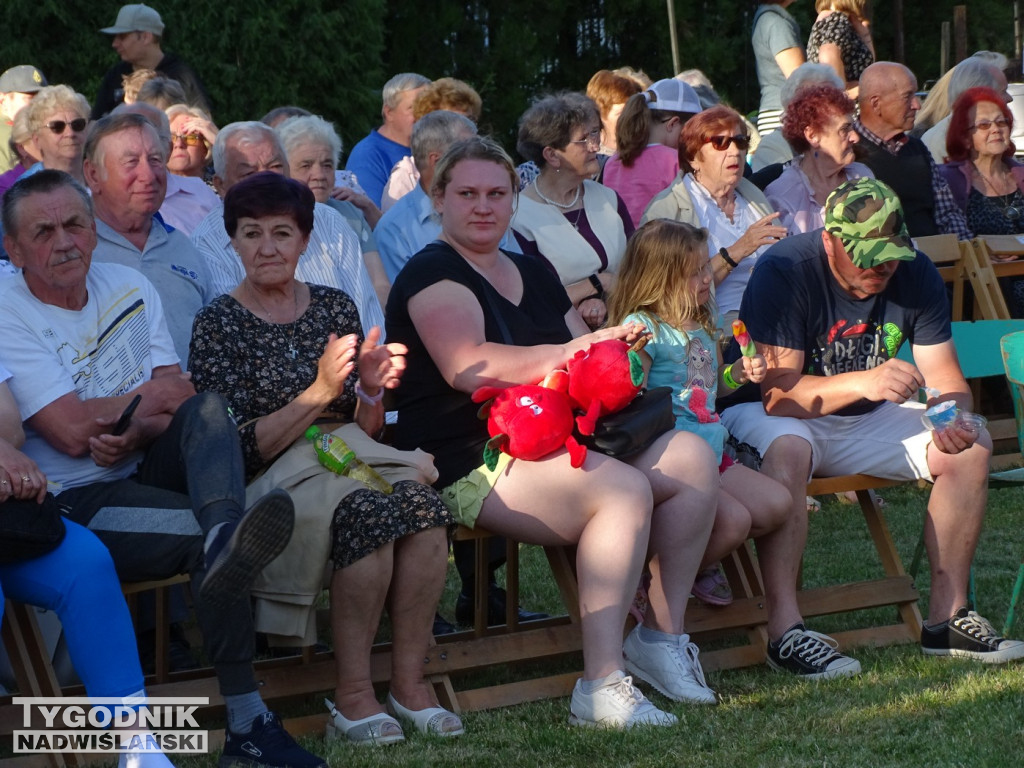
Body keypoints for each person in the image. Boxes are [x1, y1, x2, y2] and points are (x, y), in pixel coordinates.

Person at [387, 136, 720, 727]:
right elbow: (466, 366)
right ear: (439, 199)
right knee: (621, 490)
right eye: (467, 194)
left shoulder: (532, 268)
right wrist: (574, 348)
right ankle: (600, 683)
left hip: (558, 436)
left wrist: (621, 355)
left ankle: (661, 639)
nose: (484, 206)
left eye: (497, 193)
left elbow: (583, 361)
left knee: (692, 456)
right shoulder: (431, 272)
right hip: (468, 455)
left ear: (515, 200)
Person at [0, 169, 325, 768]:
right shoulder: (7, 308)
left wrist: (133, 427)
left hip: (141, 466)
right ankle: (250, 725)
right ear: (14, 249)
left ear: (94, 229)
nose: (64, 240)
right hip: (75, 500)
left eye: (74, 223)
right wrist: (142, 408)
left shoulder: (127, 283)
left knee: (208, 409)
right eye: (42, 232)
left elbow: (181, 394)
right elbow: (70, 433)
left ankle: (226, 529)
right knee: (217, 547)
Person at [189, 172, 461, 744]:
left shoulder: (334, 305)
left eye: (282, 233)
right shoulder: (218, 322)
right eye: (251, 233)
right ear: (232, 242)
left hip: (350, 452)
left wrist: (367, 388)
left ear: (305, 240)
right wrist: (316, 393)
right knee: (368, 511)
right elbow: (236, 450)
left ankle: (409, 684)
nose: (267, 247)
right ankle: (353, 694)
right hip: (277, 472)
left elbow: (367, 427)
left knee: (424, 507)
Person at [719, 176, 1024, 677]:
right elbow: (778, 395)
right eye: (868, 254)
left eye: (890, 253)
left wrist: (950, 417)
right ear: (830, 240)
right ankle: (786, 632)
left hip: (863, 414)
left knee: (971, 448)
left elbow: (946, 377)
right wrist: (865, 381)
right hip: (770, 413)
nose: (882, 266)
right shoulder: (785, 269)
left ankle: (947, 619)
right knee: (791, 449)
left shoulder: (914, 270)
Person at [607, 219, 790, 607]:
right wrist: (630, 357)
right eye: (693, 273)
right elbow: (624, 390)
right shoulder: (644, 326)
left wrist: (737, 374)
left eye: (705, 266)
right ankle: (648, 580)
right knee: (736, 522)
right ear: (660, 278)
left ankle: (687, 564)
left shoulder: (703, 324)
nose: (706, 277)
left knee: (777, 505)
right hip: (669, 457)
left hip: (712, 447)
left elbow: (708, 388)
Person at [190, 121, 386, 336]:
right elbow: (236, 333)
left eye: (275, 167)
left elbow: (366, 316)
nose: (266, 179)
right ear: (220, 185)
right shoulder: (207, 243)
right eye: (248, 173)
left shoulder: (328, 220)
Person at [83, 111, 212, 365]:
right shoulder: (75, 252)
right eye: (131, 162)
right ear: (93, 175)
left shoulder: (183, 247)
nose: (149, 175)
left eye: (155, 160)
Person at [642, 105, 786, 326]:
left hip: (776, 311)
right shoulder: (667, 210)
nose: (734, 151)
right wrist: (737, 251)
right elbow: (666, 295)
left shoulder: (751, 194)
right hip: (715, 327)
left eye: (740, 141)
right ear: (693, 157)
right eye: (720, 142)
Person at [512, 93, 633, 330]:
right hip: (564, 342)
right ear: (552, 155)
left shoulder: (607, 198)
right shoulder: (518, 217)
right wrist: (596, 283)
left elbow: (639, 268)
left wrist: (604, 300)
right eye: (583, 139)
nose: (596, 146)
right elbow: (533, 300)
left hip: (630, 327)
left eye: (595, 133)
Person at [276, 114, 389, 309]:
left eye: (327, 165)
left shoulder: (349, 213)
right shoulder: (272, 219)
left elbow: (380, 284)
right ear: (283, 169)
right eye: (306, 165)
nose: (319, 175)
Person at [853, 62, 972, 239]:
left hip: (935, 260)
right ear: (876, 103)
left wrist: (970, 251)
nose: (917, 105)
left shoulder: (917, 149)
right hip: (881, 262)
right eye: (907, 96)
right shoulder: (848, 152)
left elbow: (947, 214)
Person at [938, 87, 1024, 314]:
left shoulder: (1021, 174)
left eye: (1001, 122)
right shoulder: (949, 180)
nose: (996, 129)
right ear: (965, 138)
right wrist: (984, 255)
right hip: (979, 288)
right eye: (984, 125)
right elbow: (948, 235)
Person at [376, 110, 479, 282]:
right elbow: (400, 303)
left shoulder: (488, 210)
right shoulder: (394, 230)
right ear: (437, 161)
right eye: (469, 152)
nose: (479, 160)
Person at [765, 84, 873, 235]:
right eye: (844, 129)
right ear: (812, 136)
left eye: (852, 128)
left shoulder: (861, 176)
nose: (855, 137)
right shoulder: (783, 196)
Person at [603, 79, 702, 227]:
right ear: (673, 124)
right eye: (691, 132)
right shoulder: (676, 159)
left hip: (625, 246)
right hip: (665, 245)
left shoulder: (613, 162)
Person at [380, 77, 483, 213]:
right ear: (429, 122)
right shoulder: (406, 178)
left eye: (470, 120)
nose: (467, 129)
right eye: (455, 121)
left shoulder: (482, 171)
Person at [92, 4, 212, 119]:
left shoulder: (180, 75)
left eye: (122, 36)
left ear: (146, 37)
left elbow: (203, 121)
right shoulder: (115, 75)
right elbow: (95, 124)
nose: (115, 44)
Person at [344, 73, 430, 207]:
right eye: (414, 108)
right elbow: (371, 219)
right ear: (389, 112)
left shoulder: (432, 149)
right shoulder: (368, 156)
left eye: (429, 108)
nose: (424, 115)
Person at [750, 62, 846, 176]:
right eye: (817, 102)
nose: (831, 108)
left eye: (834, 99)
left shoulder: (847, 137)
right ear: (793, 107)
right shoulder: (774, 146)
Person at [921, 54, 1010, 164]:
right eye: (1003, 91)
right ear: (981, 93)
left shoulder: (997, 129)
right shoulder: (941, 140)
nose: (1010, 98)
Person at [751, 0, 805, 137]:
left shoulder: (767, 19)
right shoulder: (776, 24)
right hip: (782, 116)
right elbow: (799, 79)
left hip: (775, 115)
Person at [22, 85, 91, 184]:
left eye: (77, 124)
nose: (70, 133)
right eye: (57, 126)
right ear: (37, 140)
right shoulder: (26, 190)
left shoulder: (102, 180)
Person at [805, 0, 875, 97]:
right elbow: (827, 54)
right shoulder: (836, 20)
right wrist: (845, 94)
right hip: (847, 109)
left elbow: (868, 68)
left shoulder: (838, 20)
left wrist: (865, 35)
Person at [585, 69, 642, 168]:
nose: (630, 116)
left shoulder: (644, 146)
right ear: (600, 114)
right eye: (621, 112)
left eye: (633, 110)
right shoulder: (591, 157)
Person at [0, 65, 47, 173]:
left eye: (42, 98)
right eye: (30, 98)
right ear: (3, 100)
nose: (38, 104)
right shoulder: (8, 134)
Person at [164, 103, 218, 179]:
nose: (179, 144)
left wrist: (219, 143)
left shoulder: (223, 185)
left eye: (190, 137)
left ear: (206, 146)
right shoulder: (150, 187)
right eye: (171, 137)